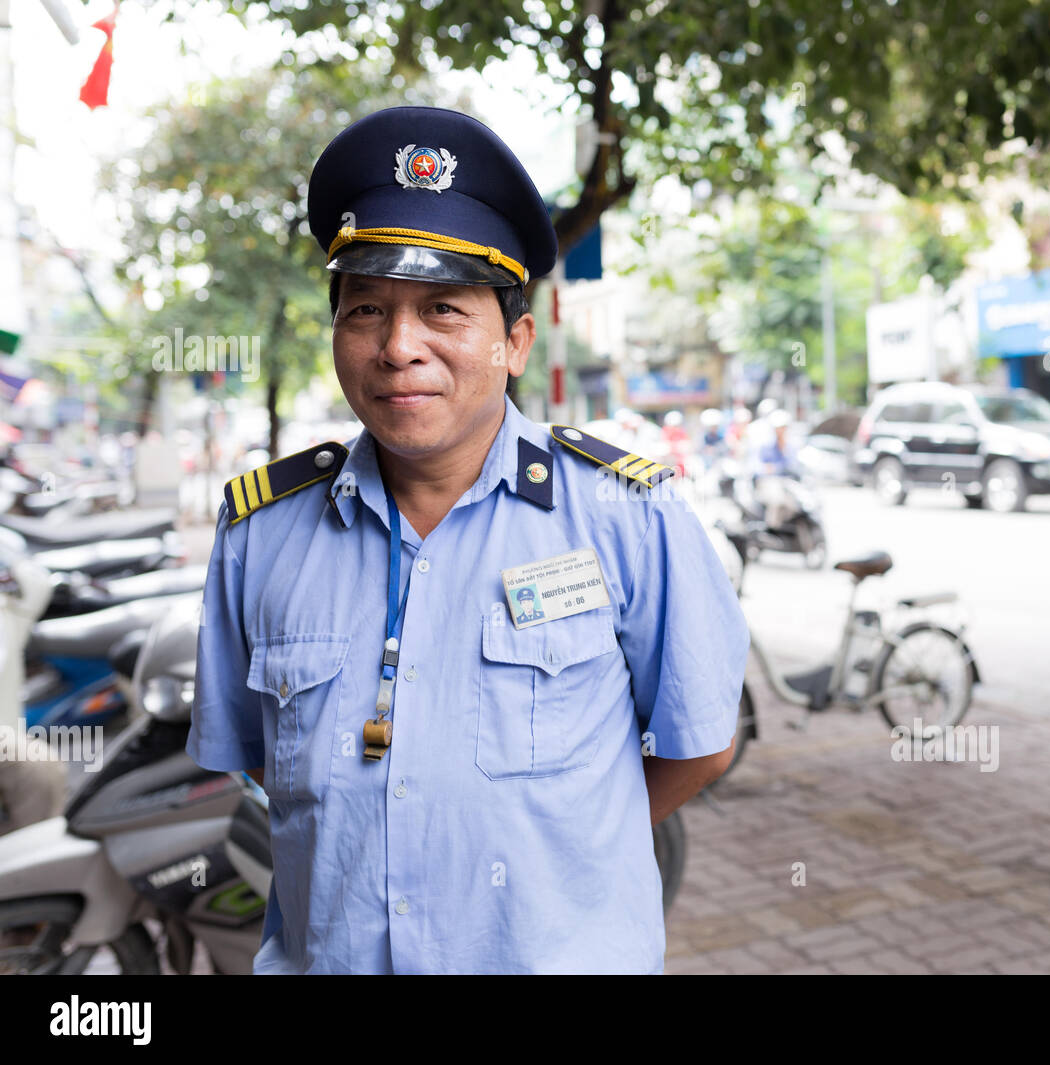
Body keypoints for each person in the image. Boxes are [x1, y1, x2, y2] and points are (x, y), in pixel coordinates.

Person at [185, 106, 750, 975]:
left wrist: (569, 847)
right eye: (367, 307)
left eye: (443, 309)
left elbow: (700, 741)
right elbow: (259, 762)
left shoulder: (628, 516)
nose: (399, 346)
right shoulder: (261, 533)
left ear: (515, 342)